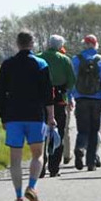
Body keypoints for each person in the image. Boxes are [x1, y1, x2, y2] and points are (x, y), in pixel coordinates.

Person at [0, 30, 56, 201]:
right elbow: (48, 94)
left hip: (13, 116)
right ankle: (32, 186)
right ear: (32, 43)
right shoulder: (41, 64)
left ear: (17, 43)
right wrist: (51, 117)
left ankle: (19, 197)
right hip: (36, 116)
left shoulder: (7, 64)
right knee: (37, 155)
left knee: (15, 159)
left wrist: (3, 116)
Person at [70, 34, 101, 172]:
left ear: (85, 44)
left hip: (81, 99)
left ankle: (79, 148)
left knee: (82, 129)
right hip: (97, 99)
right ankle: (90, 163)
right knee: (94, 131)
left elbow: (72, 81)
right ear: (96, 44)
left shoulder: (76, 60)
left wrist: (69, 97)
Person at [38, 34, 75, 177]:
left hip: (40, 100)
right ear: (60, 46)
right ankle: (54, 168)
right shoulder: (65, 60)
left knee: (41, 134)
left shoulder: (38, 58)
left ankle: (40, 166)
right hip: (59, 100)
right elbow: (72, 81)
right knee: (58, 132)